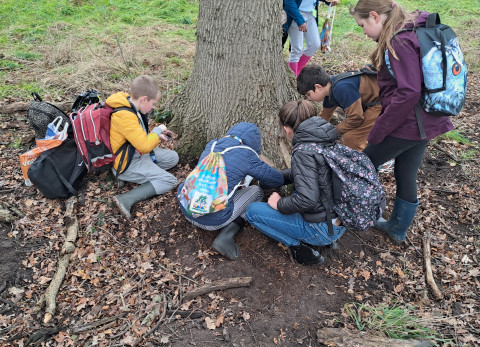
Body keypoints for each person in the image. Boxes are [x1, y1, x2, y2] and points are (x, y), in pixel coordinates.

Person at [350, 0, 454, 243]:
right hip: (427, 120)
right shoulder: (412, 28)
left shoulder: (399, 41)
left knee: (362, 166)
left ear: (375, 16)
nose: (363, 32)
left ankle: (356, 214)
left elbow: (408, 92)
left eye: (362, 25)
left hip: (409, 123)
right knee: (405, 171)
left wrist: (379, 129)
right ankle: (397, 229)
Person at [246, 100, 346, 265]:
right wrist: (276, 177)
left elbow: (307, 199)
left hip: (321, 229)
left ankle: (301, 250)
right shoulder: (326, 138)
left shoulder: (302, 152)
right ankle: (327, 240)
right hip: (337, 219)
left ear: (286, 129)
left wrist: (279, 204)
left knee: (252, 212)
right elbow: (310, 174)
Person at [177, 122, 284, 260]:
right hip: (213, 222)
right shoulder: (247, 155)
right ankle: (226, 236)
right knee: (256, 191)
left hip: (186, 209)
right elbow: (277, 179)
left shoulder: (212, 145)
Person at [107, 75, 179, 219]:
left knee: (173, 158)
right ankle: (125, 199)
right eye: (152, 103)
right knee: (170, 181)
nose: (153, 107)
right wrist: (157, 131)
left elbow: (140, 138)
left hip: (137, 154)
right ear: (144, 99)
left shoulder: (131, 104)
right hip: (128, 162)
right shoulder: (124, 116)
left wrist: (157, 136)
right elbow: (145, 146)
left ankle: (139, 176)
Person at [297, 63, 381, 151]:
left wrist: (334, 131)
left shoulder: (341, 88)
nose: (309, 98)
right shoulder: (330, 90)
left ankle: (361, 162)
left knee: (351, 139)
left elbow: (356, 118)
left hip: (380, 104)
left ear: (318, 87)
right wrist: (313, 132)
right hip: (371, 105)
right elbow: (324, 116)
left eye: (308, 94)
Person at [283, 0, 340, 76]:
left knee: (314, 44)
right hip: (295, 15)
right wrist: (299, 21)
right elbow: (289, 2)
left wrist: (330, 1)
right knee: (297, 49)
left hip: (310, 14)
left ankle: (297, 73)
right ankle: (293, 76)